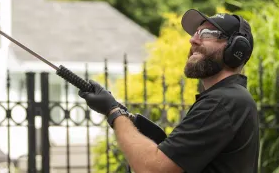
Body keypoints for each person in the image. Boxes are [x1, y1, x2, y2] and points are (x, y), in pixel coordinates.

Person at [79, 9, 260, 173]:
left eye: (207, 33)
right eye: (196, 32)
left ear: (237, 49)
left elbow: (152, 169)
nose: (193, 40)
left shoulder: (223, 101)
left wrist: (114, 112)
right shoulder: (230, 100)